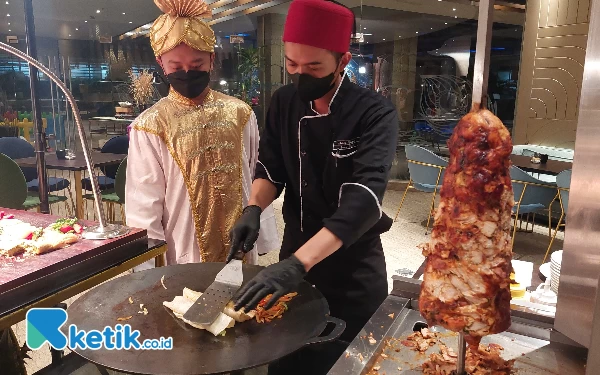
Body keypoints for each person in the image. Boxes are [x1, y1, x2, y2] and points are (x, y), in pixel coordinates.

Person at [228, 0, 399, 373]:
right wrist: (254, 208)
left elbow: (364, 202)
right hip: (297, 250)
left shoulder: (374, 113)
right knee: (288, 361)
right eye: (292, 65)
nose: (300, 75)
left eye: (314, 67)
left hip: (352, 267)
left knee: (347, 365)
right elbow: (270, 166)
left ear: (342, 61)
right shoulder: (284, 102)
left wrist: (296, 264)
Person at [126, 0, 278, 269]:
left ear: (212, 59)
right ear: (161, 64)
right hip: (183, 245)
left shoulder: (240, 112)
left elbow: (254, 173)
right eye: (176, 65)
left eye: (197, 64)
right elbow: (144, 203)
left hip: (240, 237)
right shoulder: (150, 125)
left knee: (241, 304)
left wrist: (262, 233)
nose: (187, 72)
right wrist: (143, 268)